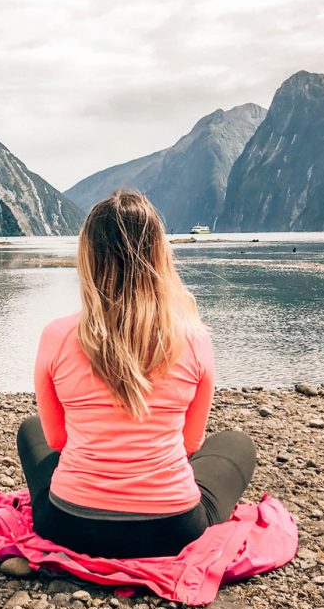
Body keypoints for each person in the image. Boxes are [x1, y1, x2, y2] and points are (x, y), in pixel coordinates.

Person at [16, 190, 256, 559]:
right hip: (172, 529)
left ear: (88, 258)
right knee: (237, 443)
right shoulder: (194, 337)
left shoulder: (56, 335)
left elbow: (58, 441)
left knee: (30, 429)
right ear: (160, 257)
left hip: (68, 525)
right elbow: (191, 445)